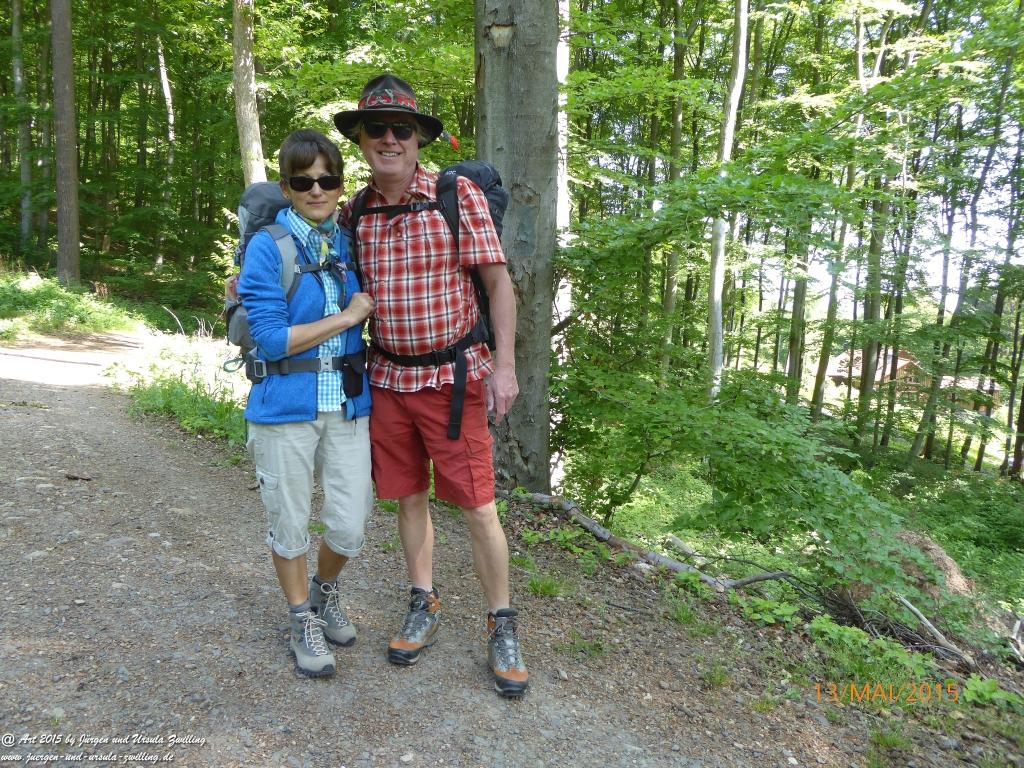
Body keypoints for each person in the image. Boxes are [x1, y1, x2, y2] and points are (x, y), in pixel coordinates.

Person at [334, 74, 529, 698]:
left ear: (418, 138)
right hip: (388, 378)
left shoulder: (456, 194)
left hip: (453, 379)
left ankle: (502, 624)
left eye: (402, 129)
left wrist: (505, 368)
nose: (389, 139)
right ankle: (424, 602)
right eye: (377, 128)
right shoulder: (355, 212)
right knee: (408, 497)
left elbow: (498, 284)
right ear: (362, 139)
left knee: (477, 504)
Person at [237, 129, 375, 678]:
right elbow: (272, 340)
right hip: (284, 406)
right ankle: (301, 618)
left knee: (350, 524)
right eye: (303, 181)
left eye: (327, 179)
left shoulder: (350, 242)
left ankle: (324, 590)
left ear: (339, 184)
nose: (317, 190)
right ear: (286, 187)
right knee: (290, 523)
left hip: (347, 405)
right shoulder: (268, 247)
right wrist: (347, 317)